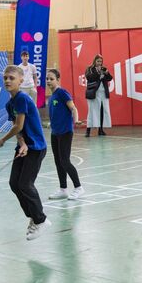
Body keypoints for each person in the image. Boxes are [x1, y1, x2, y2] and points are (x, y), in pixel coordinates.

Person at [0, 65, 51, 241]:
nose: (8, 80)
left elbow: (19, 125)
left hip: (36, 147)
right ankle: (34, 216)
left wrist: (2, 140)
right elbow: (17, 129)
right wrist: (22, 142)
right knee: (14, 184)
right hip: (25, 147)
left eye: (11, 78)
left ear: (20, 80)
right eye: (5, 78)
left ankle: (41, 220)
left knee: (25, 184)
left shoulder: (22, 99)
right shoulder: (9, 104)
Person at [45, 69, 85, 200]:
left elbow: (73, 108)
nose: (49, 81)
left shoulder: (62, 93)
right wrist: (52, 123)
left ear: (58, 79)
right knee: (58, 161)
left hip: (65, 132)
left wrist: (76, 120)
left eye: (51, 78)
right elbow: (57, 113)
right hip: (55, 133)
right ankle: (63, 189)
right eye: (47, 79)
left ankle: (79, 188)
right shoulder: (51, 97)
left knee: (65, 161)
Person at [85, 54, 113, 136]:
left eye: (101, 61)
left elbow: (110, 78)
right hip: (94, 93)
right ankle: (88, 131)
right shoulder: (90, 69)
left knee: (103, 111)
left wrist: (107, 73)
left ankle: (100, 130)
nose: (99, 63)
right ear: (94, 61)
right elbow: (89, 77)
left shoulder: (104, 68)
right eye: (98, 61)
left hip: (103, 93)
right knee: (92, 111)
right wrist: (98, 72)